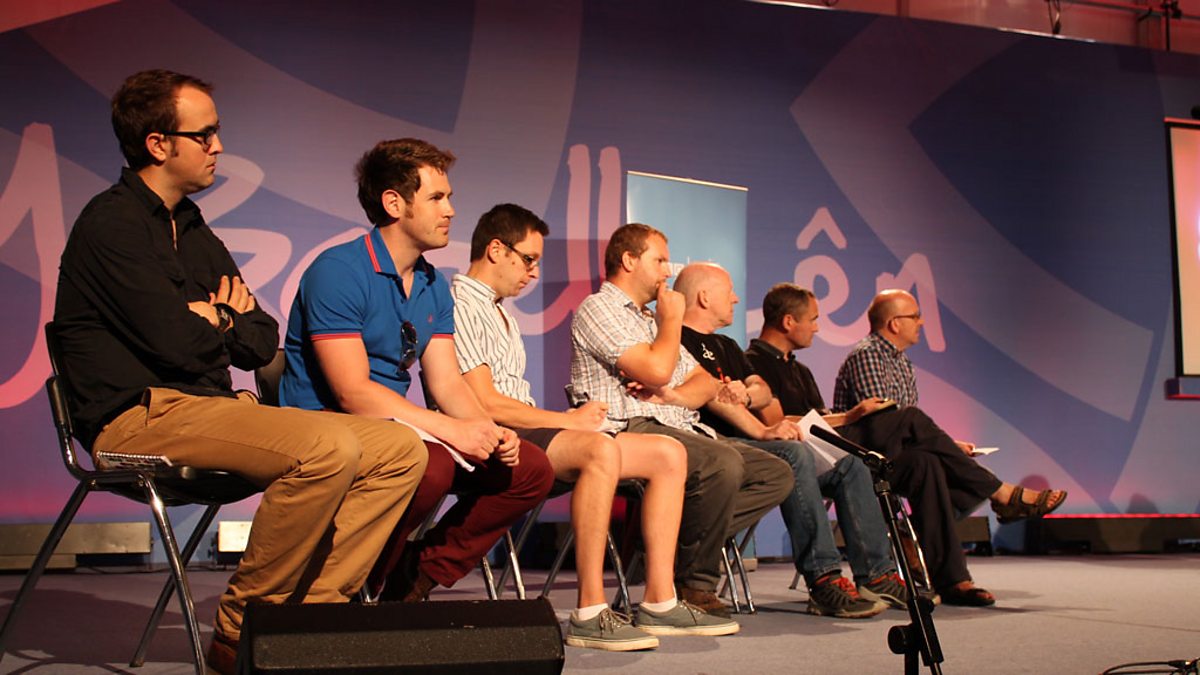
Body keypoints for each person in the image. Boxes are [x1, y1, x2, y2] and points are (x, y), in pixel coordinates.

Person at [53, 70, 427, 674]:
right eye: (204, 135)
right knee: (327, 445)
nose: (218, 146)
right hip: (137, 417)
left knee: (400, 450)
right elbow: (175, 345)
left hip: (209, 410)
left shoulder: (192, 227)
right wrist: (220, 323)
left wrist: (219, 318)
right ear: (158, 144)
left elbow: (260, 340)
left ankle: (311, 620)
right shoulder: (111, 225)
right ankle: (247, 629)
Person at [280, 139, 554, 604]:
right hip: (328, 426)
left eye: (449, 197)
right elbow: (352, 393)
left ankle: (412, 576)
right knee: (430, 464)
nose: (450, 210)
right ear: (394, 204)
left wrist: (485, 430)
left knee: (529, 468)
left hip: (397, 427)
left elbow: (447, 382)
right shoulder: (339, 270)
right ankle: (354, 584)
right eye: (436, 198)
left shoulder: (431, 283)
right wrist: (449, 430)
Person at [451, 204, 738, 650]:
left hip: (526, 430)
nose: (533, 272)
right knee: (599, 448)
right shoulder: (462, 303)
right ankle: (589, 610)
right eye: (528, 259)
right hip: (490, 437)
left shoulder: (497, 310)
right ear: (495, 250)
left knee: (669, 453)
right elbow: (485, 403)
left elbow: (692, 379)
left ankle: (660, 600)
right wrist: (566, 420)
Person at [748, 284, 1066, 606]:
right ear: (789, 321)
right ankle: (999, 493)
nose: (817, 327)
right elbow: (782, 424)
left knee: (926, 463)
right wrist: (850, 416)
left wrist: (941, 444)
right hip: (824, 454)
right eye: (813, 319)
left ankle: (952, 579)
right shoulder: (755, 362)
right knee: (909, 420)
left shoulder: (799, 369)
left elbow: (824, 419)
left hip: (845, 451)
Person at [570, 223, 793, 618]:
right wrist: (671, 322)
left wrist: (672, 394)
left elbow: (704, 383)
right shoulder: (600, 308)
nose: (667, 272)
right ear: (629, 260)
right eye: (659, 261)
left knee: (776, 472)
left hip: (678, 426)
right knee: (722, 462)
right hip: (630, 426)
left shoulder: (648, 319)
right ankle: (695, 582)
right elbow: (657, 369)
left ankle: (664, 536)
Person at [675, 263, 904, 618]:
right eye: (729, 291)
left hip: (753, 445)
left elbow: (761, 390)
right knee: (793, 454)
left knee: (851, 466)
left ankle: (877, 575)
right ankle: (823, 578)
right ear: (704, 297)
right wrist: (746, 405)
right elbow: (712, 396)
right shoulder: (676, 339)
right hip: (718, 445)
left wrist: (746, 393)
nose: (735, 298)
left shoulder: (727, 345)